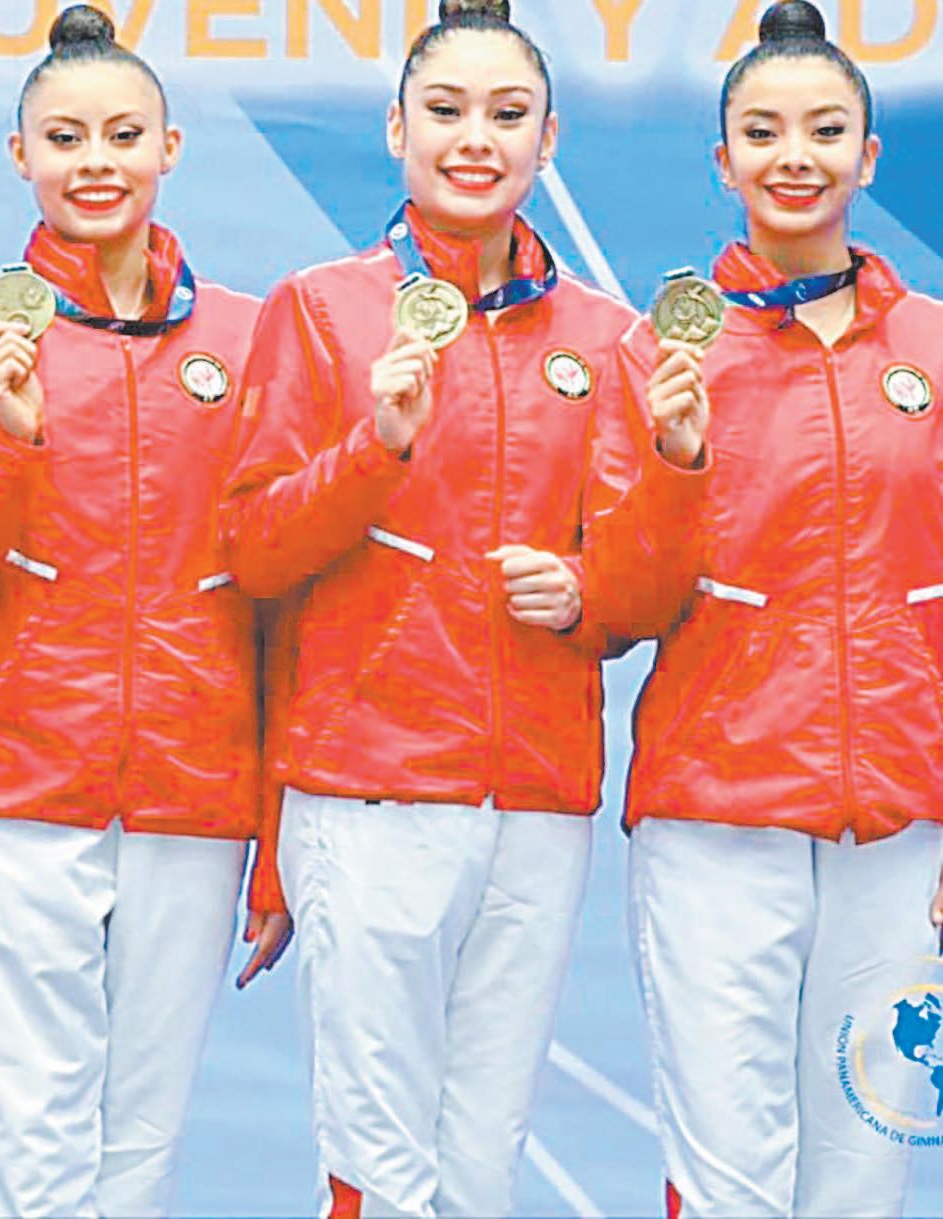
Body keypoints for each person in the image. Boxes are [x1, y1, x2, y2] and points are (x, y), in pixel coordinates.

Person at [222, 1, 709, 1214]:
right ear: (396, 129)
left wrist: (587, 592)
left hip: (533, 800)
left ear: (548, 140)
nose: (473, 138)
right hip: (368, 789)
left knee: (480, 1166)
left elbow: (642, 596)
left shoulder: (607, 337)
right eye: (444, 111)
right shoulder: (319, 310)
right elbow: (253, 551)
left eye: (506, 114)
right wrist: (373, 450)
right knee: (378, 1168)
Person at [0, 7, 267, 1215]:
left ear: (169, 147)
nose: (95, 161)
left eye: (121, 135)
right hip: (11, 789)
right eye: (63, 138)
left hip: (192, 791)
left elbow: (285, 594)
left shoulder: (251, 341)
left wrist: (277, 828)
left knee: (139, 1140)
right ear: (19, 157)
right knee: (24, 1134)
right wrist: (7, 444)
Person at [617, 3, 943, 1214]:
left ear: (867, 155)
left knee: (864, 1164)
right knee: (727, 1176)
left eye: (822, 130)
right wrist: (673, 460)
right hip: (718, 812)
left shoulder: (931, 347)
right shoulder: (659, 352)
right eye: (761, 133)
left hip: (903, 819)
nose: (791, 156)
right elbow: (620, 606)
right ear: (722, 160)